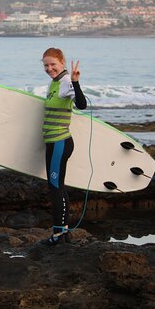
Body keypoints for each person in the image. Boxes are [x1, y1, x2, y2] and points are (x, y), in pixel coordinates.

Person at [41, 47, 87, 245]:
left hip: (60, 142)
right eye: (46, 65)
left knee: (55, 187)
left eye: (53, 64)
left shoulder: (67, 81)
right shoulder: (54, 82)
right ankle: (63, 232)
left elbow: (82, 104)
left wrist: (76, 83)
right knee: (57, 187)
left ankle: (58, 235)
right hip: (53, 142)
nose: (49, 68)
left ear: (62, 62)